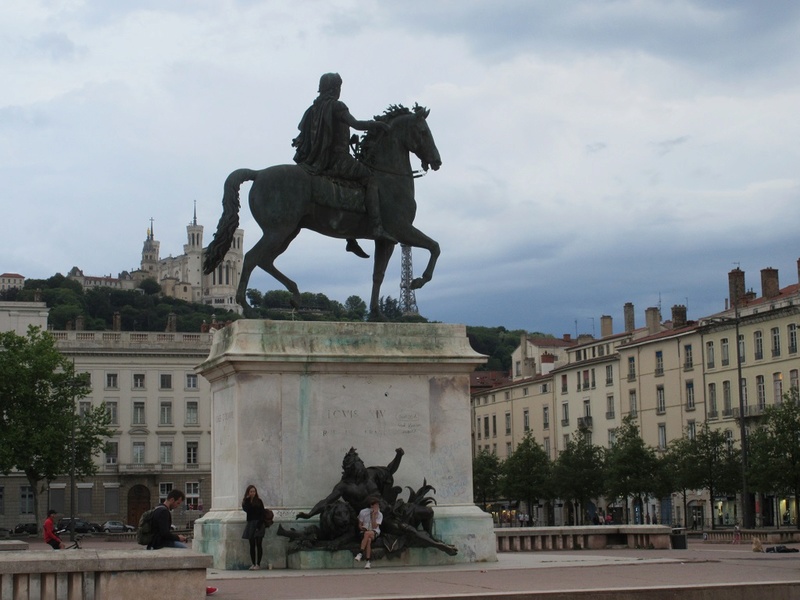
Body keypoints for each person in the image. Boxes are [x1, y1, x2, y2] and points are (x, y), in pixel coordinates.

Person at [292, 72, 395, 253]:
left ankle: (351, 239)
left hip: (316, 160)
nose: (339, 91)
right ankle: (377, 226)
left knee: (350, 187)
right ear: (334, 88)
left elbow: (315, 136)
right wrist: (376, 125)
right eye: (339, 87)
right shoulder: (337, 106)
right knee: (370, 179)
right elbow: (356, 124)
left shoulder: (312, 109)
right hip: (337, 160)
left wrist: (347, 141)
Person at [149, 489, 218, 596]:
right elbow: (164, 533)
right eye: (177, 503)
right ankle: (199, 586)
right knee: (190, 556)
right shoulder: (164, 512)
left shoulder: (157, 508)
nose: (177, 506)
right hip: (162, 544)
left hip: (156, 543)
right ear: (172, 499)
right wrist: (178, 537)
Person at [242, 484, 267, 570]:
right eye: (251, 491)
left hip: (259, 523)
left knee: (259, 544)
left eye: (254, 491)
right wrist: (248, 499)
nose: (253, 493)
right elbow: (246, 509)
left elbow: (262, 513)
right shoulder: (247, 501)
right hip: (250, 523)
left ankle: (258, 564)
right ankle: (253, 563)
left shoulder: (259, 501)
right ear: (248, 492)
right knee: (251, 544)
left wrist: (259, 525)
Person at [354, 497, 382, 569]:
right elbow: (360, 524)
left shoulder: (379, 514)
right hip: (365, 531)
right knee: (368, 540)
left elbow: (374, 526)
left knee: (367, 534)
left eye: (378, 505)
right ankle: (368, 562)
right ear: (371, 505)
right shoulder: (363, 512)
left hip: (374, 532)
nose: (377, 507)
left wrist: (373, 515)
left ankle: (360, 553)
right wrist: (362, 528)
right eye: (375, 505)